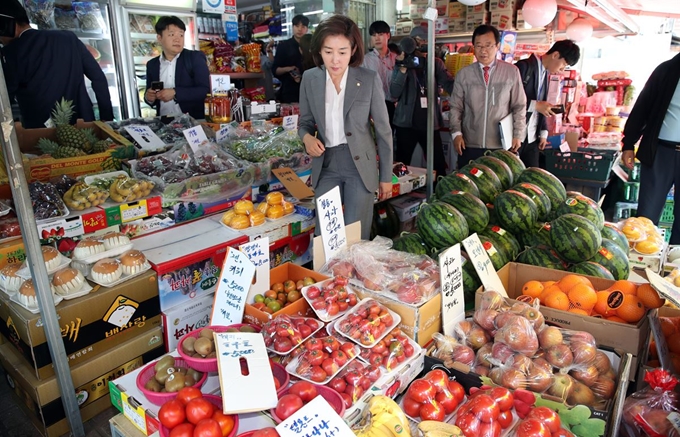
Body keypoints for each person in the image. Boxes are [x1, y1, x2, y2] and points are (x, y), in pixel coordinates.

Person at [298, 15, 393, 240]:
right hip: (326, 164)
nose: (335, 60)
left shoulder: (368, 79)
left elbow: (383, 130)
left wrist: (386, 176)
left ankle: (354, 276)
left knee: (355, 235)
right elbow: (304, 123)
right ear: (319, 51)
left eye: (342, 52)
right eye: (328, 51)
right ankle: (328, 276)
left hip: (359, 165)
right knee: (326, 235)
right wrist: (307, 139)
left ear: (353, 50)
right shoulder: (310, 78)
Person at [0, 0, 113, 128]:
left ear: (6, 25)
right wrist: (106, 119)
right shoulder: (69, 38)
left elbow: (5, 100)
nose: (1, 40)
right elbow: (98, 78)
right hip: (84, 125)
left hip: (41, 132)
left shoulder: (10, 53)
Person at [622, 53, 680, 244]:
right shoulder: (666, 70)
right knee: (646, 216)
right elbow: (642, 107)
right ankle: (639, 263)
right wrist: (629, 143)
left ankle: (676, 268)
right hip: (660, 152)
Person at [450, 25, 527, 167]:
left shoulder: (511, 72)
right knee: (467, 185)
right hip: (469, 143)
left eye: (488, 45)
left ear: (497, 46)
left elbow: (519, 106)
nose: (483, 51)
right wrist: (456, 133)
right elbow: (455, 107)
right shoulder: (464, 74)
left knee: (498, 186)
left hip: (501, 145)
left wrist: (518, 135)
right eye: (478, 46)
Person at [390, 25, 454, 178]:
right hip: (406, 123)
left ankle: (439, 195)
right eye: (420, 40)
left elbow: (450, 85)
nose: (423, 43)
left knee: (438, 163)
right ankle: (398, 197)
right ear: (411, 42)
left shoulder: (435, 63)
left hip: (430, 123)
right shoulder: (403, 61)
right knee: (401, 165)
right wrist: (403, 67)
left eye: (427, 40)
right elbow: (394, 92)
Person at [515, 40, 581, 168]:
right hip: (516, 136)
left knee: (532, 179)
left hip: (532, 138)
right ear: (555, 55)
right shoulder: (523, 67)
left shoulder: (545, 73)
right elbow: (508, 98)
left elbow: (540, 105)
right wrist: (536, 105)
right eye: (562, 66)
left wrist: (543, 132)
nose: (561, 71)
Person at [144, 16, 210, 120]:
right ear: (159, 38)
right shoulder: (152, 65)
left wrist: (175, 92)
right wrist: (149, 97)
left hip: (192, 122)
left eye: (181, 35)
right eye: (171, 34)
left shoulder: (194, 58)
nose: (177, 39)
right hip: (164, 123)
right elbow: (149, 93)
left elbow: (205, 90)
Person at [362, 20, 397, 124]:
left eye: (380, 34)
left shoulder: (396, 59)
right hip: (374, 107)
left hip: (395, 106)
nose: (377, 38)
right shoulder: (365, 61)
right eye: (373, 35)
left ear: (388, 35)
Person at [272, 15, 309, 103]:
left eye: (303, 26)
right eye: (297, 26)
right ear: (292, 27)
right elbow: (275, 70)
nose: (300, 29)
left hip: (309, 89)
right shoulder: (284, 46)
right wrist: (287, 69)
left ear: (307, 29)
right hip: (289, 91)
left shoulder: (312, 46)